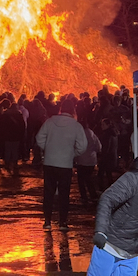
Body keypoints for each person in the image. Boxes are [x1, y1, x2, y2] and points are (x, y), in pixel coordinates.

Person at [35, 99, 87, 231]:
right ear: (73, 110)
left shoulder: (50, 122)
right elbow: (83, 145)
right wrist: (73, 153)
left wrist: (47, 148)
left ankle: (47, 221)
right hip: (65, 164)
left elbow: (39, 137)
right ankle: (62, 222)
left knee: (48, 192)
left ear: (61, 108)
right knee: (64, 193)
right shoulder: (76, 126)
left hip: (50, 162)